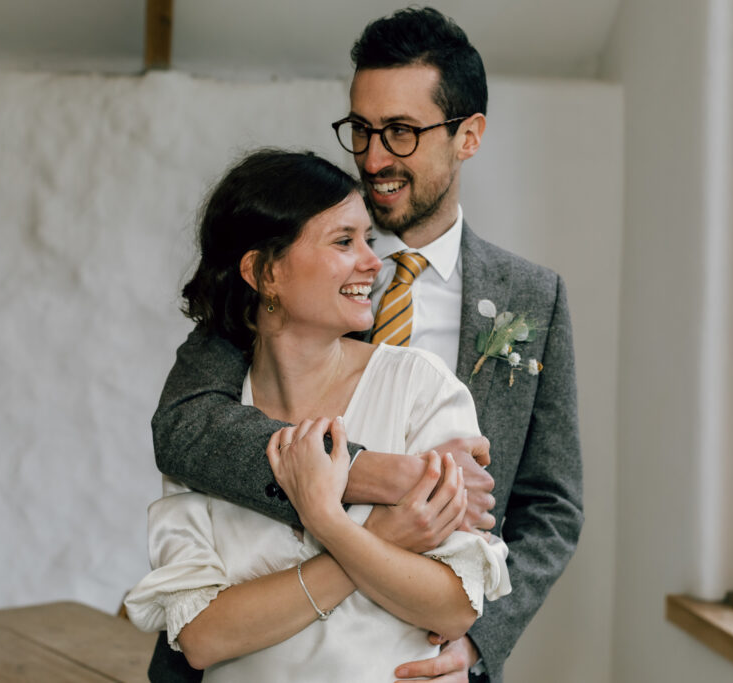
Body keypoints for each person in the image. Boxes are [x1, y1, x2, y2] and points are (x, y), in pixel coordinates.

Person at [149, 7, 583, 682]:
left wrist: (481, 638)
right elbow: (186, 427)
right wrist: (383, 473)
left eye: (402, 132)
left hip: (419, 650)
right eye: (362, 128)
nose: (374, 157)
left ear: (468, 136)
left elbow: (551, 503)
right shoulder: (285, 262)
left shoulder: (531, 297)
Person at [125, 149, 511, 682]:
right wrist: (377, 536)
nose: (374, 263)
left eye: (368, 241)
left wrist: (331, 524)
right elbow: (201, 638)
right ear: (264, 272)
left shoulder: (419, 386)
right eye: (343, 241)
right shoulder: (208, 427)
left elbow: (453, 608)